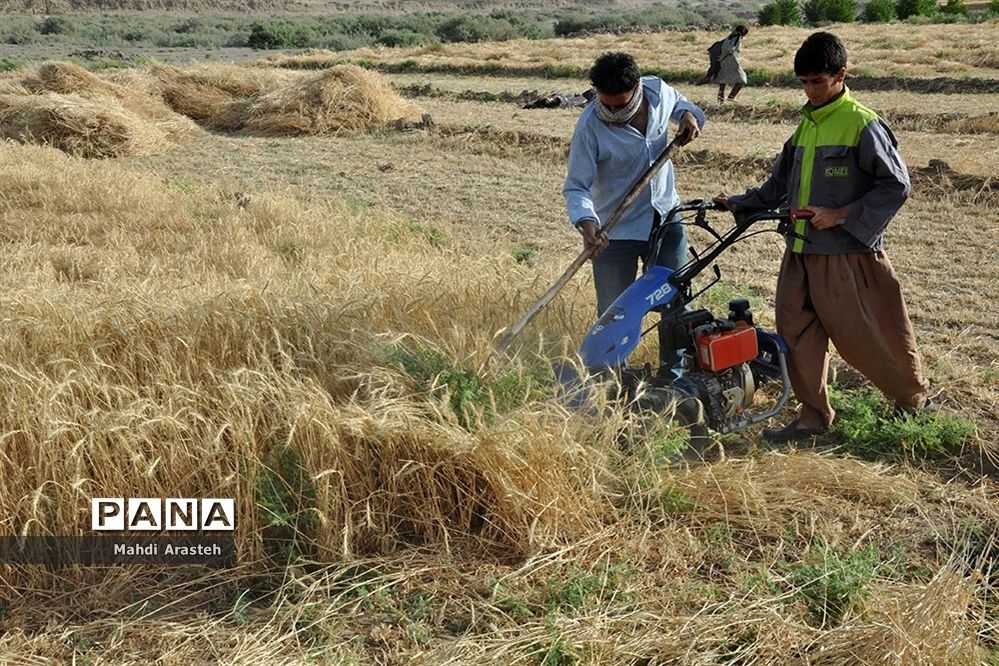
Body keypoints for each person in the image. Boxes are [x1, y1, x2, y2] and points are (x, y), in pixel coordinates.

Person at [713, 31, 929, 443]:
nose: (810, 91)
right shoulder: (805, 127)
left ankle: (911, 401)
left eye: (817, 81)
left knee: (867, 336)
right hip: (799, 252)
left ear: (840, 75)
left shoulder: (861, 123)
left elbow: (896, 185)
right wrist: (737, 203)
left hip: (847, 255)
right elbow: (776, 186)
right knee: (796, 335)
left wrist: (841, 215)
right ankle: (813, 417)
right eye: (804, 83)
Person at [563, 52, 704, 327]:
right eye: (607, 105)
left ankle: (672, 370)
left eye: (621, 106)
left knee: (675, 301)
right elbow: (576, 187)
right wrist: (587, 223)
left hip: (665, 217)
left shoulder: (659, 92)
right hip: (615, 231)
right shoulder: (589, 126)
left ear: (637, 89)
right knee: (614, 312)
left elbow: (681, 103)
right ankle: (612, 369)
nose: (613, 113)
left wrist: (688, 115)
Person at [715, 25, 749, 104]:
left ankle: (720, 102)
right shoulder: (737, 37)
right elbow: (730, 49)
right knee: (742, 79)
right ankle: (731, 96)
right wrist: (722, 57)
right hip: (732, 62)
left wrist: (721, 58)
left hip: (724, 62)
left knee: (722, 81)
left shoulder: (729, 37)